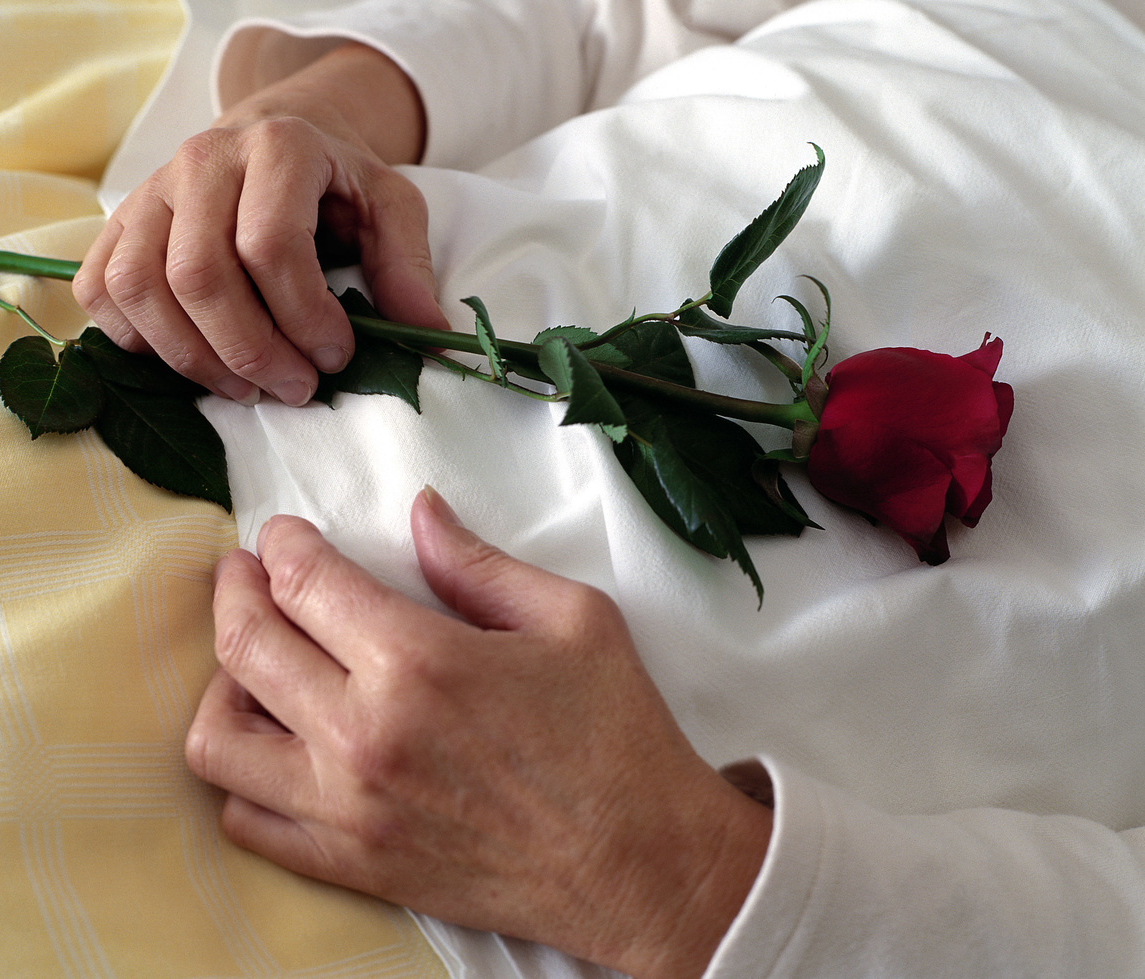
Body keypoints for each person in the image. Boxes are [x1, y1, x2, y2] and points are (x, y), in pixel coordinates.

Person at [75, 1, 1145, 976]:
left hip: (493, 895)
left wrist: (675, 881)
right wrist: (310, 118)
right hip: (195, 324)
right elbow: (594, 15)